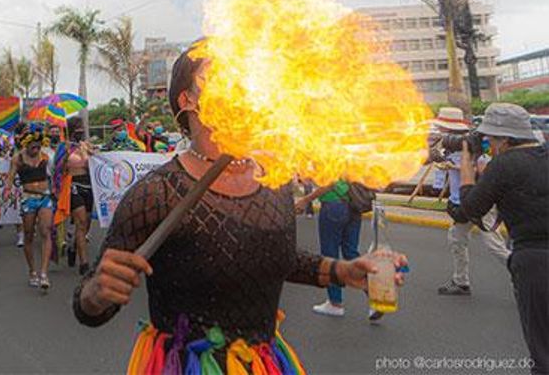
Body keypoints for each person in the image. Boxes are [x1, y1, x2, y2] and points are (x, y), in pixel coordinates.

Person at [73, 42, 407, 371]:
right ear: (187, 100)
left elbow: (278, 259)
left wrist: (343, 271)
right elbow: (89, 306)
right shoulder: (156, 193)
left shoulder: (272, 180)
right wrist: (96, 294)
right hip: (187, 365)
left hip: (259, 362)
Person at [453, 103, 548, 374]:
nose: (489, 145)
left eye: (491, 139)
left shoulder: (504, 164)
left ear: (505, 140)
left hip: (535, 262)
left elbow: (468, 209)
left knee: (543, 351)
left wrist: (467, 163)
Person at [431, 107, 510, 296]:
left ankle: (526, 273)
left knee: (494, 245)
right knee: (456, 239)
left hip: (479, 201)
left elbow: (484, 169)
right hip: (462, 203)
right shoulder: (450, 145)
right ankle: (461, 281)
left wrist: (457, 166)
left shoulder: (475, 144)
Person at [295, 179, 365, 319]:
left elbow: (329, 184)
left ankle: (335, 303)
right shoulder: (350, 157)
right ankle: (375, 295)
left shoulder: (329, 158)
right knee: (351, 253)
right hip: (354, 207)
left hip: (333, 207)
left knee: (330, 255)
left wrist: (306, 200)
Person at [7, 131, 54, 290]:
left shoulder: (45, 157)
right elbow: (10, 179)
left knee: (46, 231)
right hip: (28, 199)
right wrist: (7, 192)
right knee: (28, 234)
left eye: (38, 147)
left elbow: (56, 172)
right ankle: (32, 271)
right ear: (26, 145)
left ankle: (44, 273)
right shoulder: (18, 158)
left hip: (45, 197)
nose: (36, 150)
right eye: (33, 147)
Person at [64, 117, 96, 275]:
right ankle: (84, 263)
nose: (79, 131)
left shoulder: (87, 146)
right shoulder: (65, 148)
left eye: (81, 128)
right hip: (74, 185)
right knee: (81, 222)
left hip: (89, 185)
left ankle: (73, 246)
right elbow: (58, 169)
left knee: (86, 224)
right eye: (76, 128)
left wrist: (88, 151)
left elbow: (95, 163)